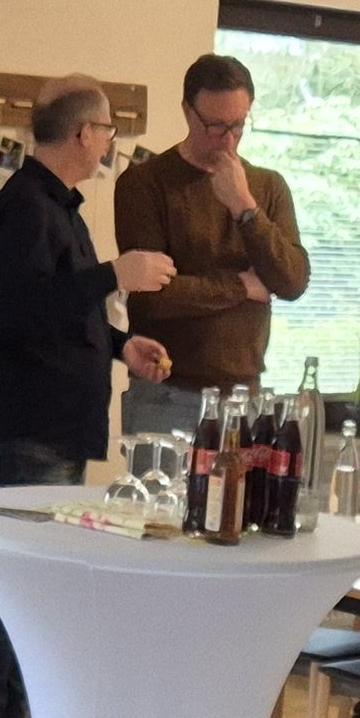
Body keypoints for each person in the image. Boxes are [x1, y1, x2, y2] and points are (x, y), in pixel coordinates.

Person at [0, 76, 176, 718]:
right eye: (108, 129)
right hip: (25, 430)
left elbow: (56, 312)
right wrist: (117, 273)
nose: (112, 141)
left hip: (55, 429)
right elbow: (10, 318)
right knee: (10, 585)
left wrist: (119, 346)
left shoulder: (59, 210)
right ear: (81, 134)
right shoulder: (23, 207)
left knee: (37, 587)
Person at [108, 52, 308, 444]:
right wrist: (241, 287)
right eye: (216, 126)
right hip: (166, 394)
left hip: (243, 396)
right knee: (153, 506)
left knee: (235, 507)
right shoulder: (144, 184)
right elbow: (152, 298)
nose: (228, 139)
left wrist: (244, 208)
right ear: (187, 111)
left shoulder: (267, 187)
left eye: (239, 125)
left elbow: (292, 281)